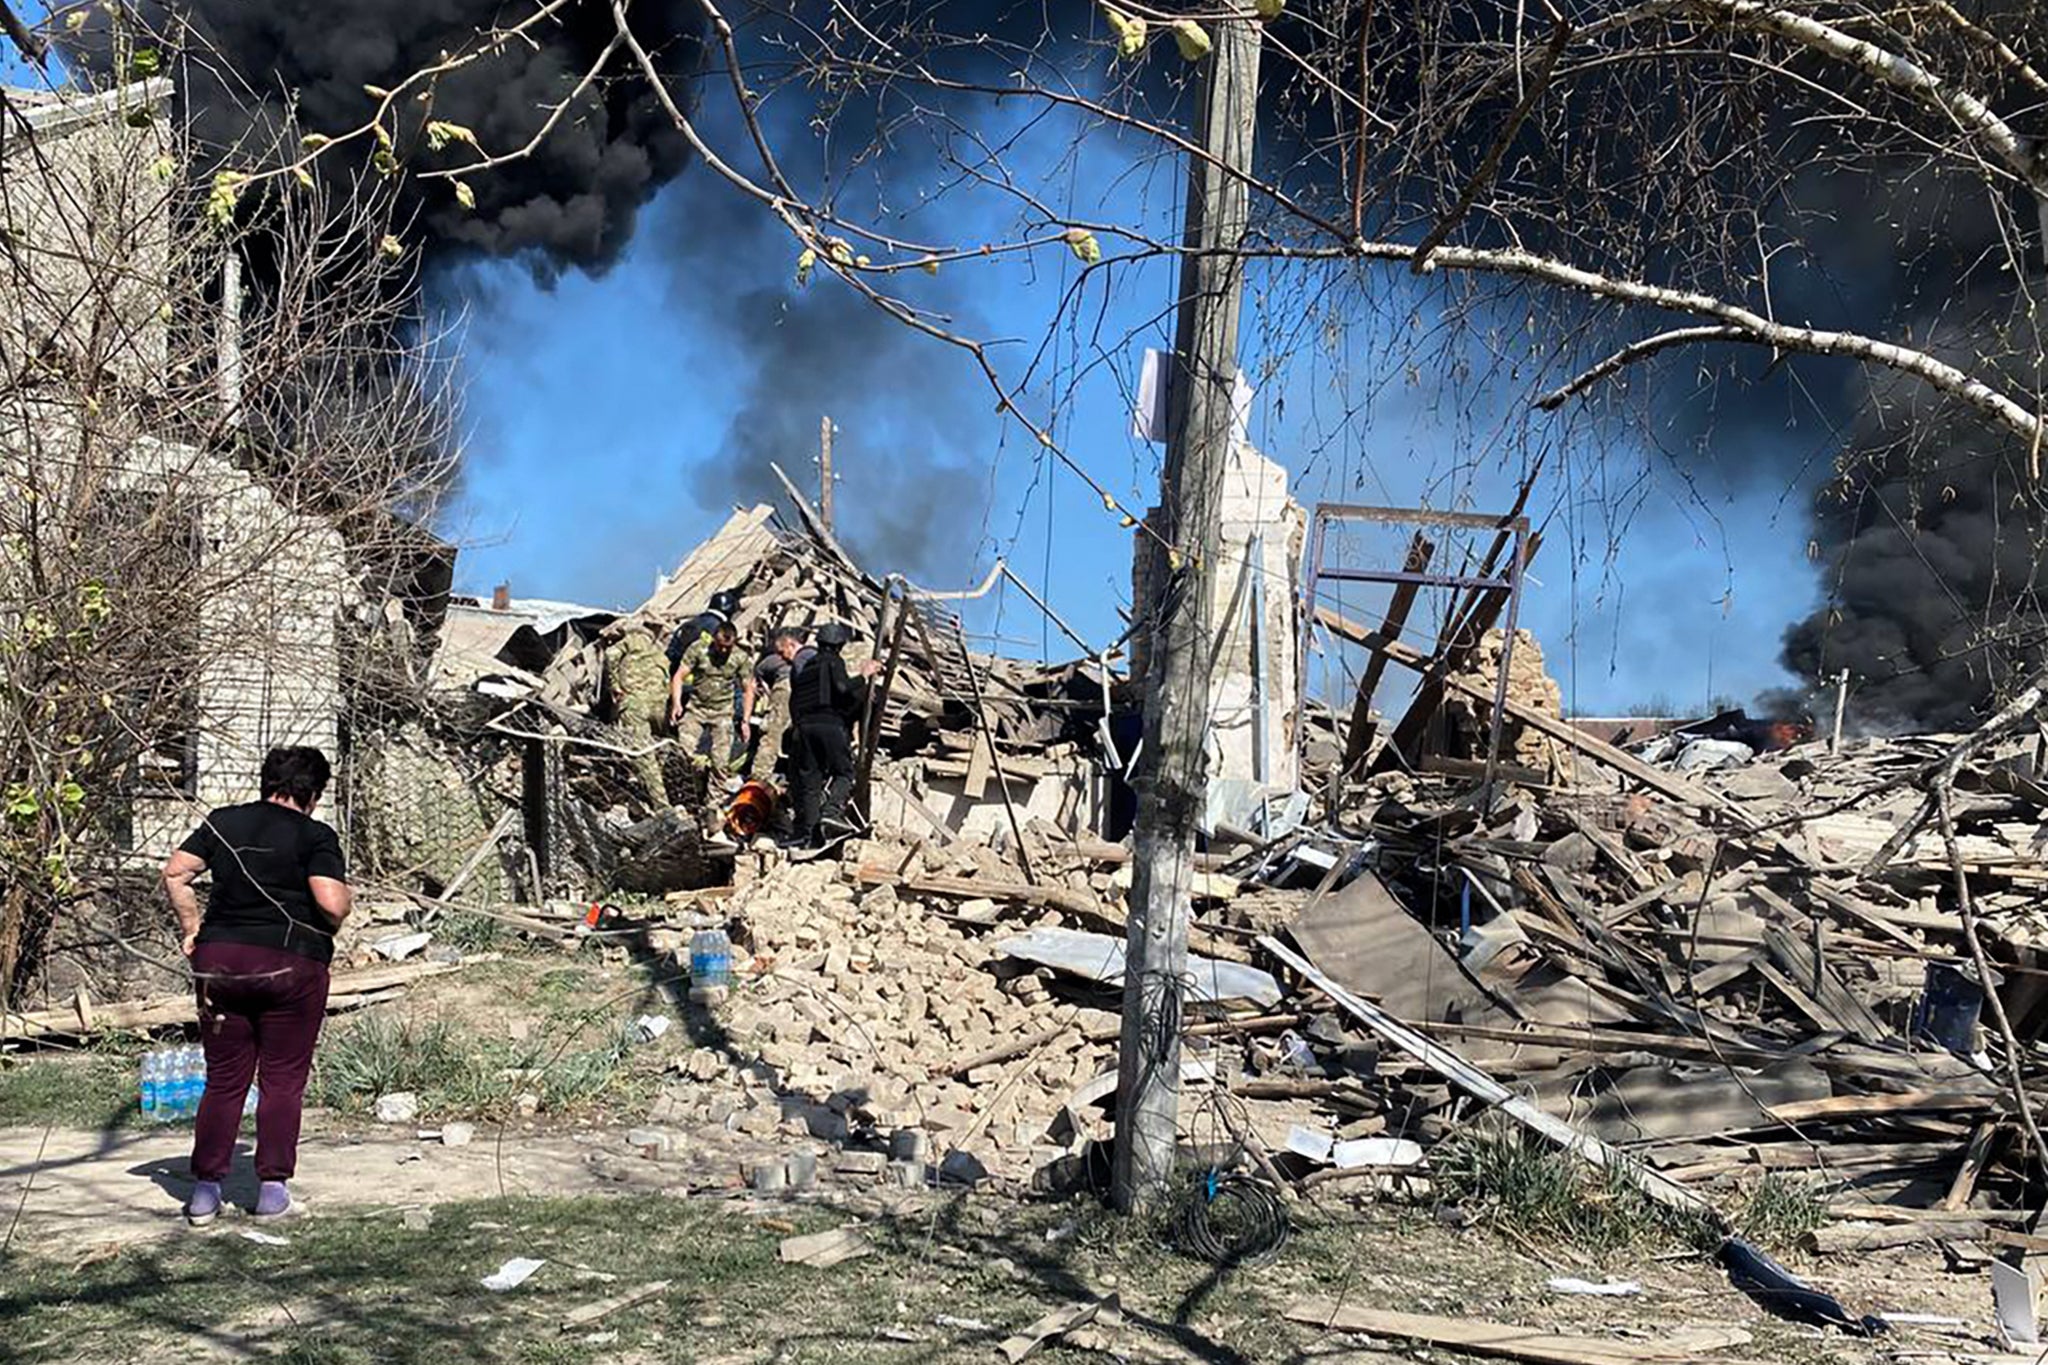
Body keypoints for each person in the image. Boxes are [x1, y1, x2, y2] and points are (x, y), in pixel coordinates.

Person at [160, 746, 352, 1226]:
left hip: (220, 963)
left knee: (224, 1080)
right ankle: (271, 1190)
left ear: (267, 782)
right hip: (291, 966)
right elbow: (332, 904)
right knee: (282, 1079)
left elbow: (176, 872)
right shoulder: (316, 835)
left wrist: (191, 928)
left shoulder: (224, 821)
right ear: (313, 793)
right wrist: (344, 898)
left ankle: (204, 1192)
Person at [787, 621, 882, 847]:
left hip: (803, 728)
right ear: (839, 645)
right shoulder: (833, 661)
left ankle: (809, 835)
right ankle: (831, 812)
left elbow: (794, 702)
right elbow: (841, 688)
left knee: (811, 781)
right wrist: (863, 675)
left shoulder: (805, 668)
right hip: (829, 725)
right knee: (844, 772)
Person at [669, 621, 756, 839]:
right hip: (696, 709)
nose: (723, 651)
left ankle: (712, 808)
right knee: (682, 752)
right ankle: (684, 798)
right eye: (720, 646)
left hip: (722, 714)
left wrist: (745, 720)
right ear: (714, 641)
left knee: (720, 762)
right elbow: (679, 676)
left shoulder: (739, 658)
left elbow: (748, 689)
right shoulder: (698, 649)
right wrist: (676, 703)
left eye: (728, 647)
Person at [605, 619, 673, 806]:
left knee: (643, 753)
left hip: (635, 705)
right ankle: (660, 789)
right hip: (659, 707)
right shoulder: (659, 651)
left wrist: (615, 685)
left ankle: (661, 805)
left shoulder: (632, 640)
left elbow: (610, 654)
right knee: (658, 749)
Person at [741, 628, 805, 783]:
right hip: (809, 691)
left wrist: (746, 719)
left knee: (771, 733)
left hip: (786, 689)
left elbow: (752, 686)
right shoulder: (811, 655)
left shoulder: (771, 661)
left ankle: (759, 778)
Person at [665, 587, 742, 679]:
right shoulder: (719, 628)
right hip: (699, 680)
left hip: (674, 674)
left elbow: (671, 651)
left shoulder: (690, 623)